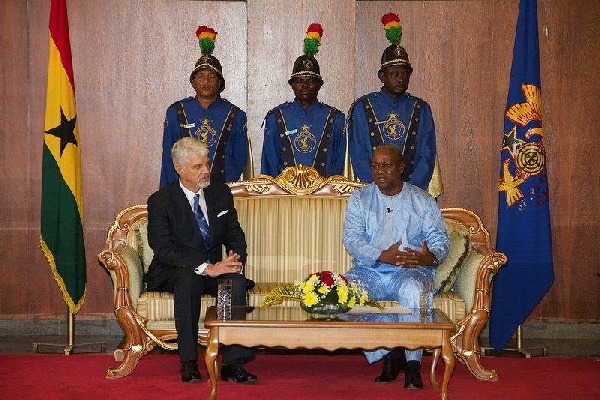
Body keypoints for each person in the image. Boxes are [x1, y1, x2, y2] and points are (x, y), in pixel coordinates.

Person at [144, 137, 257, 384]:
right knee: (188, 280)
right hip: (173, 270)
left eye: (207, 164)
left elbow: (234, 232)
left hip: (215, 268)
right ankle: (188, 362)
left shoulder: (219, 192)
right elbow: (163, 249)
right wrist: (207, 268)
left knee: (235, 283)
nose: (206, 171)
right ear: (179, 169)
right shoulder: (161, 201)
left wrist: (235, 259)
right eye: (198, 167)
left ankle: (232, 363)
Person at [342, 143, 449, 389]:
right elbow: (352, 239)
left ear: (401, 167)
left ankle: (412, 364)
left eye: (387, 165)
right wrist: (381, 255)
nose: (380, 171)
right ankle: (389, 351)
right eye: (375, 165)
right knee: (343, 294)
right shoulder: (360, 198)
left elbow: (439, 239)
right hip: (370, 271)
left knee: (413, 291)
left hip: (410, 271)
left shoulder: (421, 200)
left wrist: (428, 257)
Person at [347, 13, 437, 191]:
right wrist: (379, 188)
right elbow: (358, 153)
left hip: (411, 193)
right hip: (374, 192)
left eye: (404, 74)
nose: (400, 79)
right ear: (382, 76)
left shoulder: (421, 108)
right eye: (394, 74)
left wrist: (407, 190)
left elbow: (427, 155)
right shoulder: (362, 107)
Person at [160, 25, 249, 188]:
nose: (206, 82)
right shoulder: (176, 112)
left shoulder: (235, 115)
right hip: (184, 193)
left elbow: (239, 159)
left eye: (212, 76)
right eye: (201, 76)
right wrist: (172, 196)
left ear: (220, 82)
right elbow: (168, 158)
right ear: (193, 82)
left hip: (221, 191)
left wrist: (220, 188)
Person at [261, 23, 345, 178]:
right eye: (300, 81)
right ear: (292, 84)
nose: (305, 86)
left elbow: (338, 164)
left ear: (319, 84)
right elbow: (269, 164)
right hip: (283, 196)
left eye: (311, 81)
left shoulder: (335, 118)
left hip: (324, 197)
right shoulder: (275, 117)